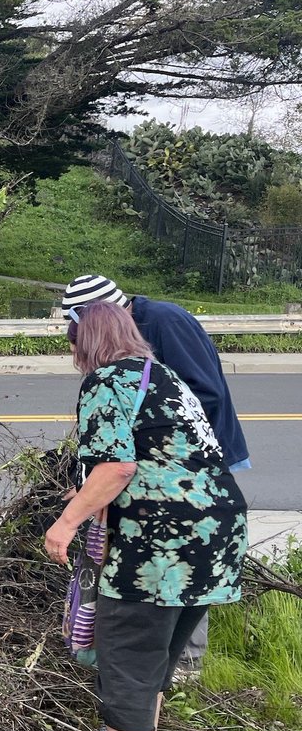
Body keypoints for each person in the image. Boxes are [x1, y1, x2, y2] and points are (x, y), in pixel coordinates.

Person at [44, 301, 248, 731]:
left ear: (85, 339)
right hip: (217, 535)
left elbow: (117, 466)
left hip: (161, 546)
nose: (71, 356)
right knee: (159, 655)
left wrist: (64, 524)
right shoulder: (167, 378)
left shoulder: (105, 381)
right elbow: (165, 457)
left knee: (127, 666)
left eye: (71, 343)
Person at [61, 274, 250, 673]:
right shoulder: (131, 361)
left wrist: (179, 472)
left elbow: (205, 395)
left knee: (173, 565)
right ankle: (161, 670)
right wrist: (91, 488)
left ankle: (181, 664)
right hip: (182, 478)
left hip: (191, 471)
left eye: (75, 334)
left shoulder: (164, 323)